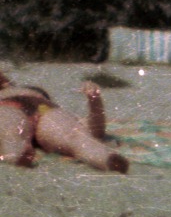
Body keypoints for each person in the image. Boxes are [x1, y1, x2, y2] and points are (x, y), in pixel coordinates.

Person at [0, 74, 128, 173]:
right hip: (18, 108)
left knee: (75, 135)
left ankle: (106, 159)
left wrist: (94, 102)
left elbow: (96, 130)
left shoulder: (36, 96)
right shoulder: (5, 92)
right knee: (10, 129)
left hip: (44, 110)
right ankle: (17, 155)